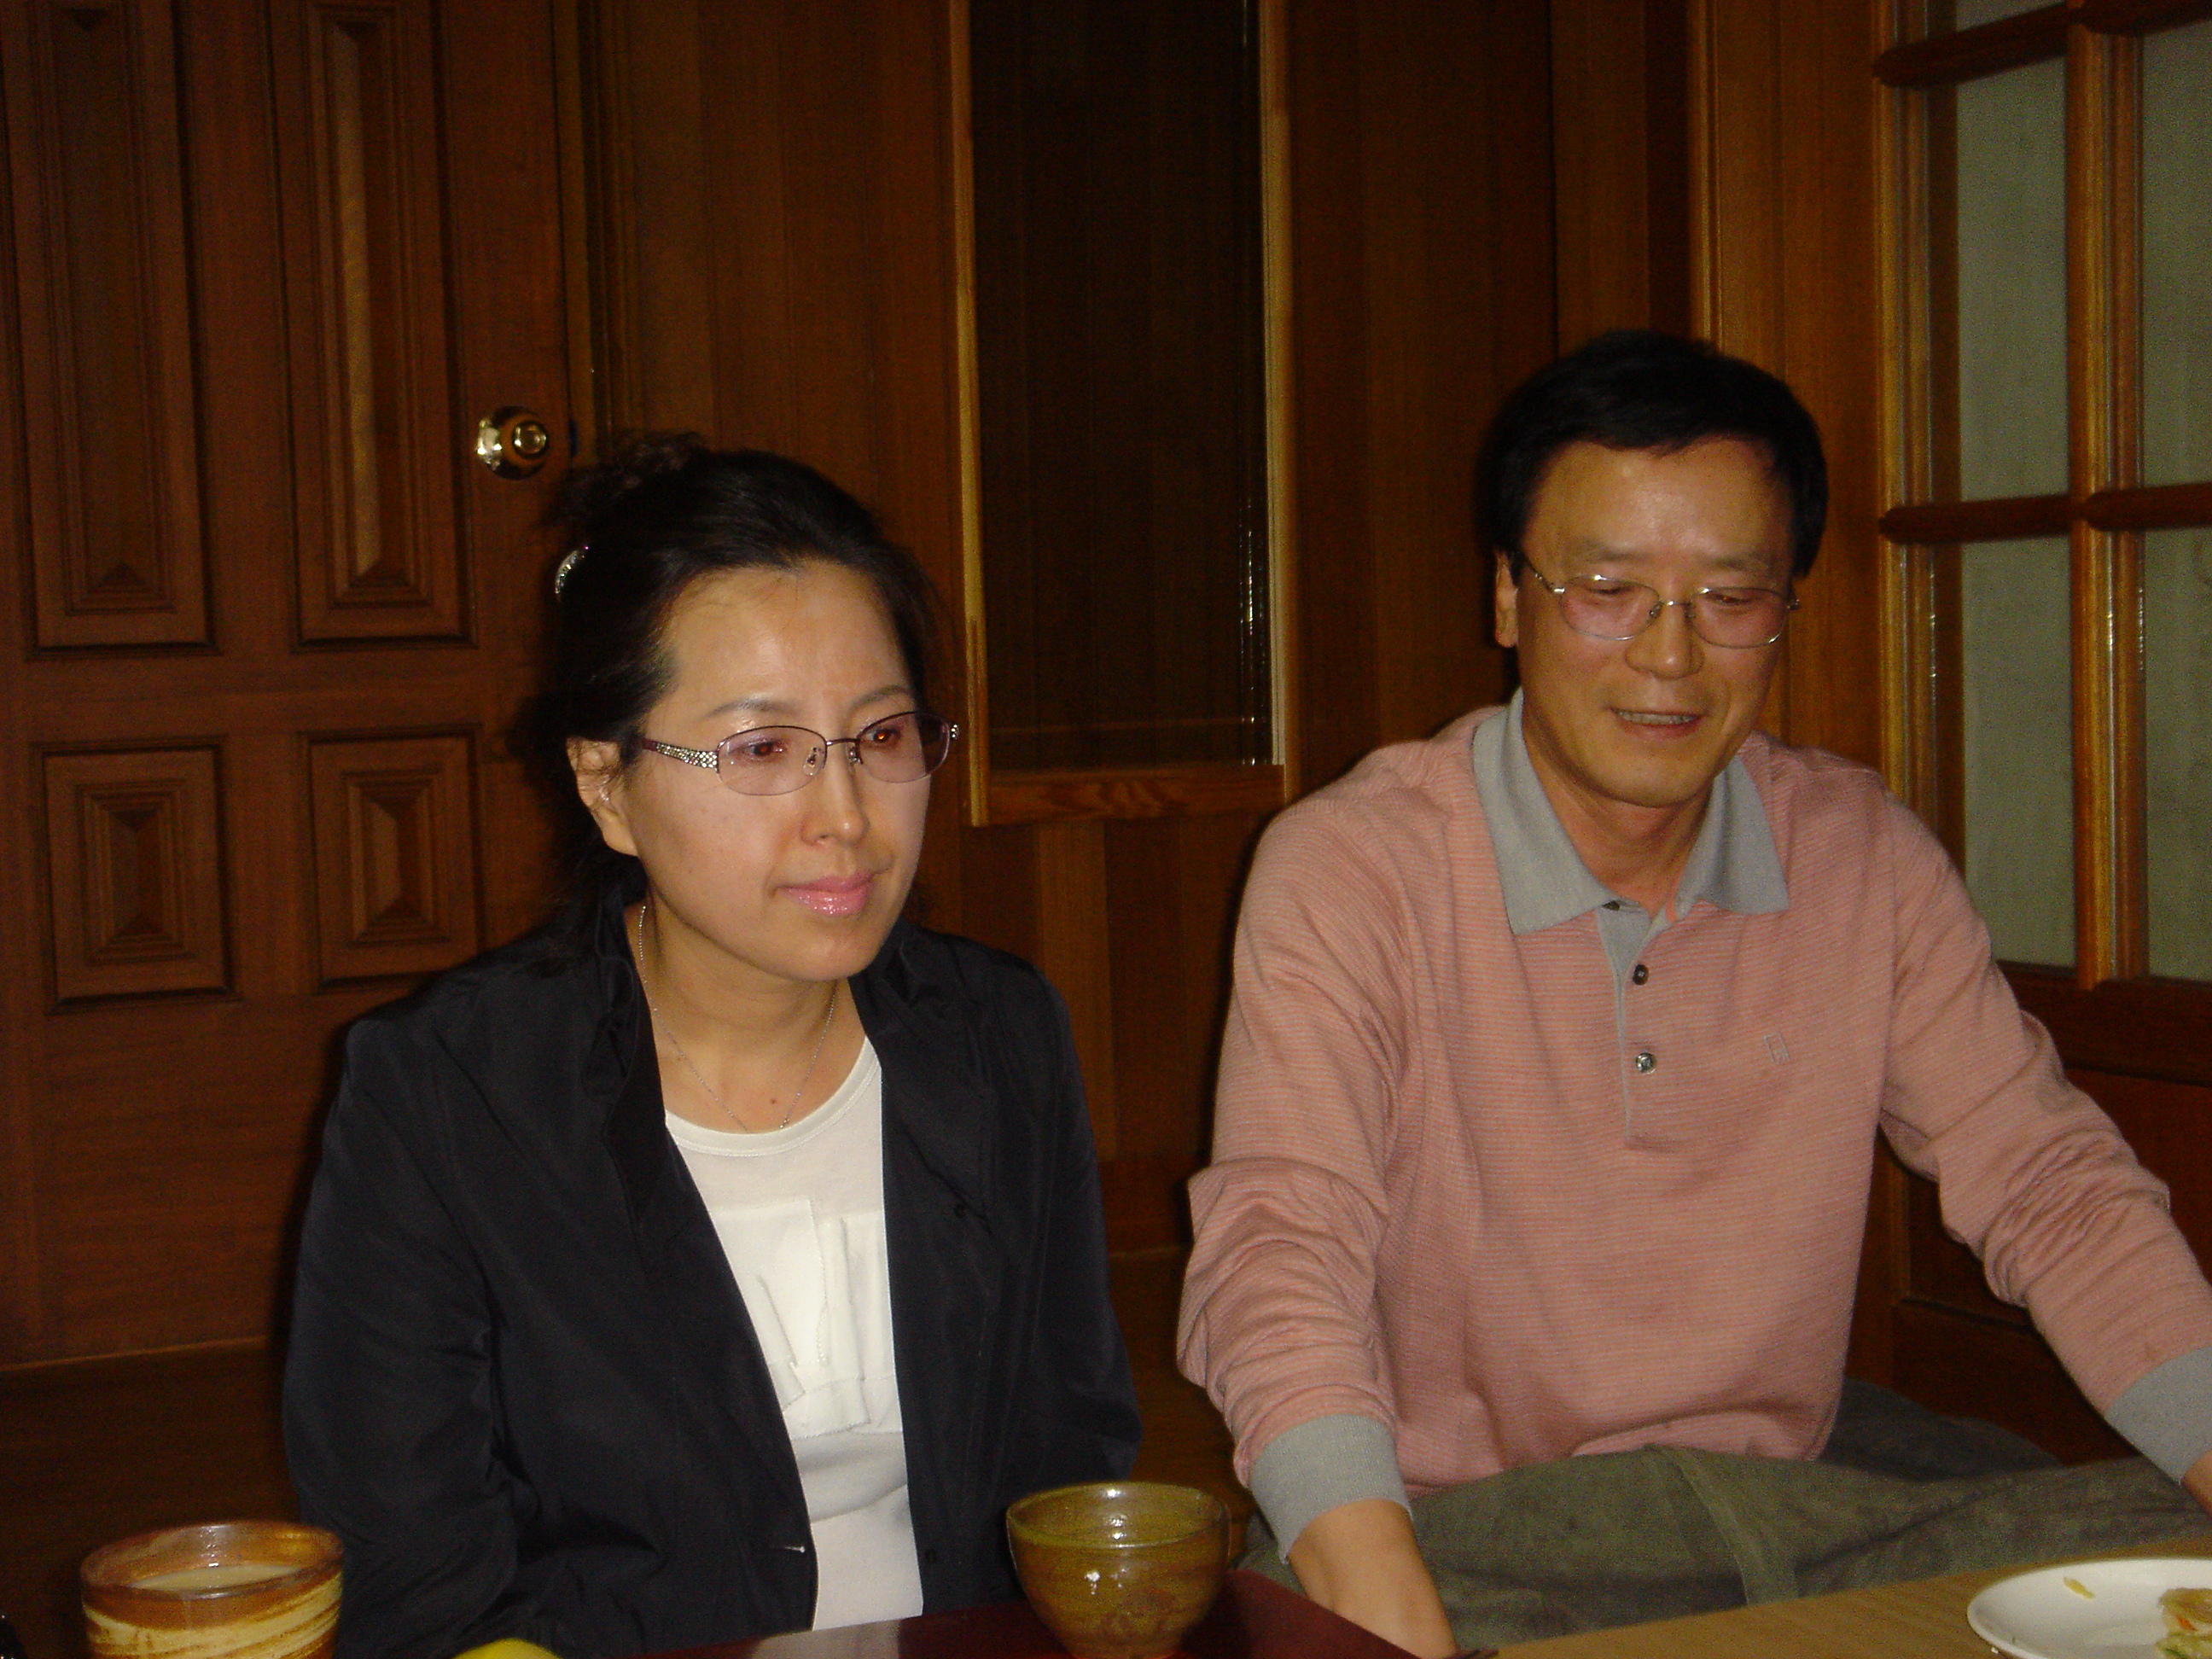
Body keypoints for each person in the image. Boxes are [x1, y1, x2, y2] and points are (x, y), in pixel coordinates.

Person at [1176, 331, 2212, 1656]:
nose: (1670, 657)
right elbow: (1281, 1238)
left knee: (2153, 1545)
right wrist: (1377, 1581)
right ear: (1509, 598)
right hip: (1476, 1532)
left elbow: (2049, 1187)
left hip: (1796, 1510)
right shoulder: (1355, 866)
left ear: (1784, 610)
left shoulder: (1861, 856)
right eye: (1607, 589)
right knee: (1274, 1612)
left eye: (1730, 597)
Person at [284, 439, 1140, 1659]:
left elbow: (1070, 1467)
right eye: (762, 750)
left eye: (882, 736)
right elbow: (419, 1581)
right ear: (606, 785)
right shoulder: (446, 1095)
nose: (845, 816)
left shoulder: (1000, 1037)